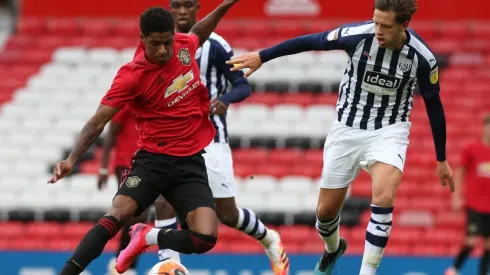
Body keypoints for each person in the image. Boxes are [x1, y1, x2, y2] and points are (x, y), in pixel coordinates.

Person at [226, 0, 454, 274]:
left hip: (389, 131)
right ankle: (333, 248)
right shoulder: (357, 36)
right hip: (346, 129)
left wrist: (441, 158)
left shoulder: (422, 58)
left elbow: (434, 105)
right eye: (376, 22)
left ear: (404, 25)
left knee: (383, 198)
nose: (378, 30)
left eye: (385, 26)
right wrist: (263, 56)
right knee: (324, 214)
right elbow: (312, 41)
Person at [47, 1, 240, 274]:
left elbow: (200, 30)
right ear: (143, 40)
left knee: (205, 238)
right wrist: (71, 159)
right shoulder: (131, 76)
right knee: (116, 215)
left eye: (167, 43)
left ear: (173, 36)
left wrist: (227, 4)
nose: (162, 50)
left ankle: (145, 236)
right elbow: (99, 121)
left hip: (189, 162)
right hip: (153, 161)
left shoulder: (184, 47)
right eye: (155, 44)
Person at [147, 1, 290, 274]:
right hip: (173, 139)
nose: (182, 12)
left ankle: (268, 237)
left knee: (227, 214)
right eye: (177, 5)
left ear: (198, 8)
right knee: (163, 198)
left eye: (188, 5)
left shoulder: (216, 46)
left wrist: (224, 99)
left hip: (212, 140)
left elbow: (242, 85)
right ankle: (168, 265)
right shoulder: (160, 45)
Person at [96, 105, 149, 275]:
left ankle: (126, 263)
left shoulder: (154, 101)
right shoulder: (129, 103)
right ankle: (122, 261)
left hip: (148, 164)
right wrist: (104, 168)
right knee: (134, 213)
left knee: (142, 216)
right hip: (126, 163)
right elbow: (111, 132)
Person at [445, 114, 490, 275]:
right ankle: (454, 269)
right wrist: (456, 196)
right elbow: (460, 172)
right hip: (475, 204)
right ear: (483, 128)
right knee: (471, 241)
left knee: (488, 245)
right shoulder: (473, 149)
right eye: (488, 126)